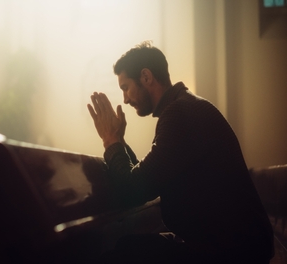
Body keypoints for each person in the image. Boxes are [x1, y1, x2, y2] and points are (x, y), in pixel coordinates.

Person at [87, 41, 273, 264]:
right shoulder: (183, 107)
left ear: (146, 77)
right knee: (127, 247)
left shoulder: (181, 113)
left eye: (126, 87)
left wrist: (111, 141)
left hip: (231, 252)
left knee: (117, 256)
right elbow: (151, 177)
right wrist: (120, 141)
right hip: (231, 244)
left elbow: (134, 190)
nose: (125, 99)